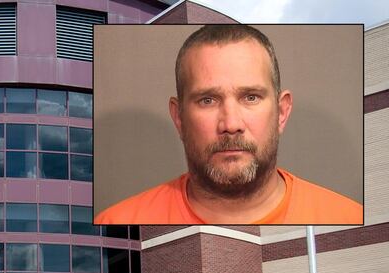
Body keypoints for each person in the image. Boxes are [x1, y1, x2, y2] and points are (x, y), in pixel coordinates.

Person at [94, 25, 363, 225]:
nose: (231, 124)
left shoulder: (348, 214)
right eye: (208, 100)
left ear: (281, 112)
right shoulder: (117, 219)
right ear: (179, 118)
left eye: (250, 97)